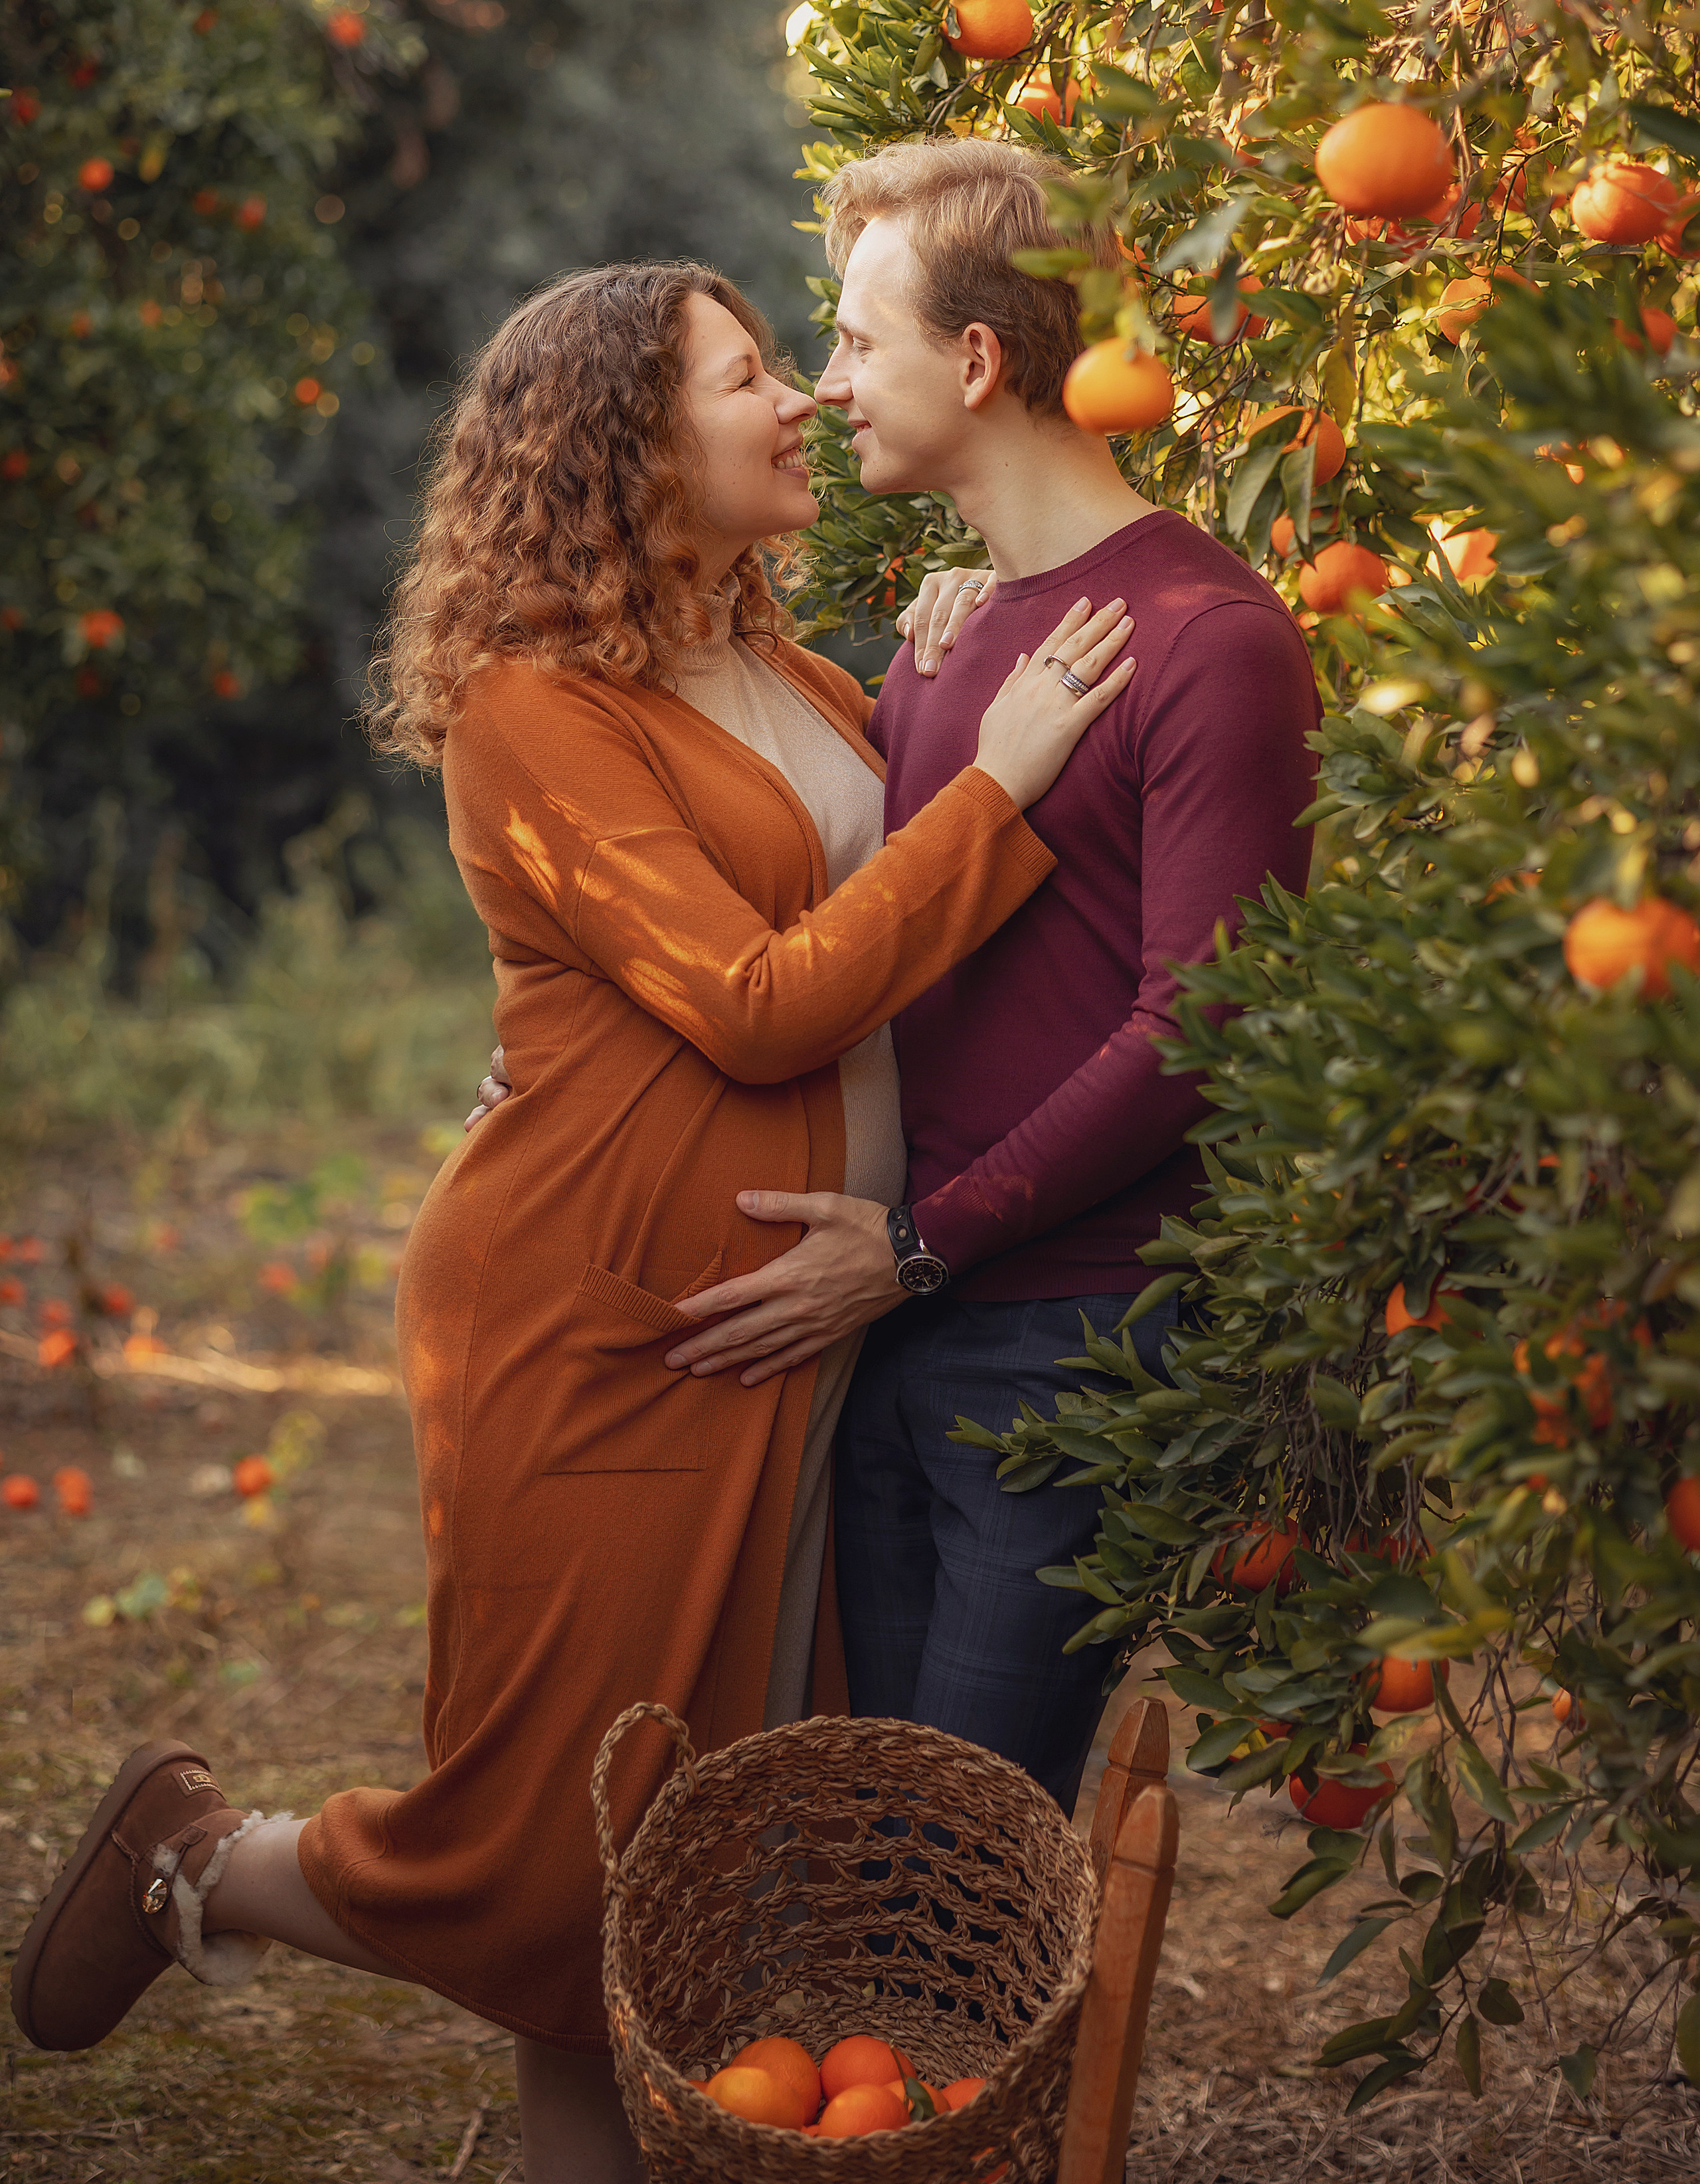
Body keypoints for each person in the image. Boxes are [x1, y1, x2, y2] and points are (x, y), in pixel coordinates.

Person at [10, 260, 1136, 2184]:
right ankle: (227, 1863)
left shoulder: (779, 668)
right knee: (572, 1840)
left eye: (796, 366)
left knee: (685, 1855)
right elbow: (763, 997)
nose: (795, 401)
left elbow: (852, 893)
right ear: (624, 443)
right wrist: (1005, 780)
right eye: (746, 375)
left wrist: (948, 683)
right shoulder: (533, 706)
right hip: (608, 1322)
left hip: (788, 1329)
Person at [660, 139, 1322, 1813]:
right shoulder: (946, 645)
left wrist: (913, 1250)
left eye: (857, 342)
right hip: (883, 1319)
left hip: (1067, 1338)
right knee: (865, 1832)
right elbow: (837, 940)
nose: (827, 386)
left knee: (956, 1848)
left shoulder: (1208, 638)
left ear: (974, 358)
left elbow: (1203, 1031)